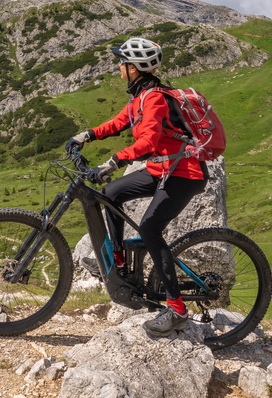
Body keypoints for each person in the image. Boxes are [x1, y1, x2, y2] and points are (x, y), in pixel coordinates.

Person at [65, 36, 208, 337]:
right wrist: (85, 136)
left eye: (123, 62)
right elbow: (119, 122)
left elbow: (149, 142)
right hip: (163, 169)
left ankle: (177, 310)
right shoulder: (139, 96)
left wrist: (113, 161)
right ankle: (119, 259)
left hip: (185, 173)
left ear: (135, 68)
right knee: (110, 194)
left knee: (149, 229)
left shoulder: (154, 98)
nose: (119, 66)